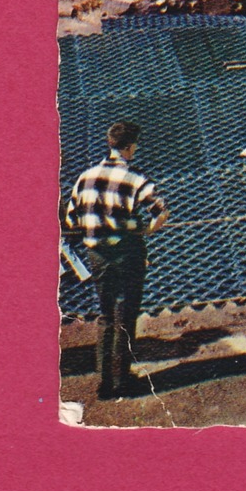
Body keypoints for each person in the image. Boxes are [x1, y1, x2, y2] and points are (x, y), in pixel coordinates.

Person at [64, 121, 170, 400]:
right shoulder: (137, 178)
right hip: (127, 253)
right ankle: (122, 381)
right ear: (128, 147)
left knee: (106, 315)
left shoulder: (85, 177)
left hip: (96, 255)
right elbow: (160, 210)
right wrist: (146, 229)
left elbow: (71, 218)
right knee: (125, 315)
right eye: (135, 145)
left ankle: (104, 382)